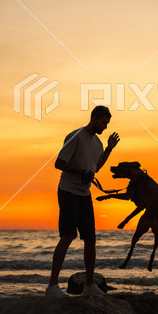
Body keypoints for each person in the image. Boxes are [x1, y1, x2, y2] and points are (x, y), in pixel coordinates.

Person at [45, 106, 120, 296]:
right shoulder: (75, 136)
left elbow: (96, 167)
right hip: (68, 191)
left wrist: (109, 149)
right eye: (103, 122)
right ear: (93, 118)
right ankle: (52, 286)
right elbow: (58, 163)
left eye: (107, 124)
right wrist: (81, 173)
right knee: (68, 236)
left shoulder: (98, 143)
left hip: (84, 194)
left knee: (91, 239)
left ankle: (89, 286)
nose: (105, 127)